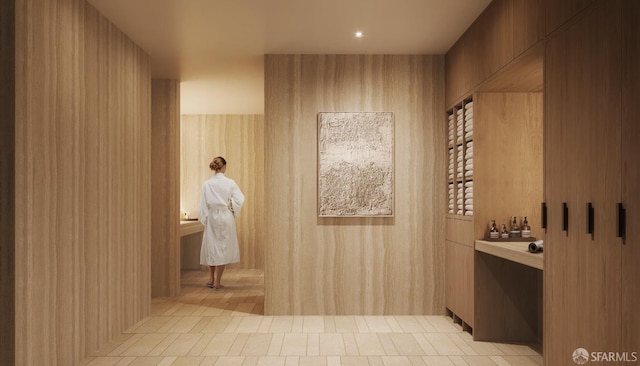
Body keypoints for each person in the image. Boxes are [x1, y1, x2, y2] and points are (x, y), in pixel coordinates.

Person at [198, 156, 245, 290]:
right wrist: (230, 207)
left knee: (211, 245)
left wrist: (205, 217)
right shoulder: (230, 183)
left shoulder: (207, 184)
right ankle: (218, 281)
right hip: (225, 216)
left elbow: (202, 203)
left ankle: (211, 279)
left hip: (212, 216)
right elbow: (239, 199)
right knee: (223, 247)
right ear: (224, 167)